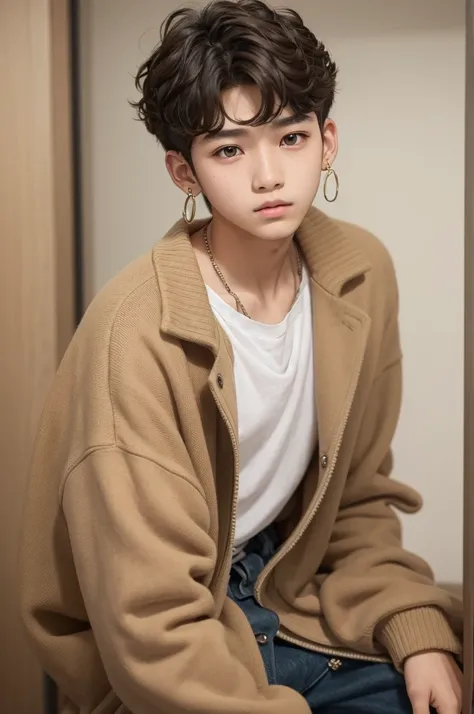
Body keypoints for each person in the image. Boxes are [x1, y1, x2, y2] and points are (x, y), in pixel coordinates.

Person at [20, 1, 464, 713]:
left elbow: (358, 496)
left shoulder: (359, 274)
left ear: (328, 141)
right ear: (183, 171)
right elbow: (148, 623)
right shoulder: (134, 336)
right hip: (175, 632)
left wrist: (415, 627)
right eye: (229, 149)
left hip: (294, 591)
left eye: (290, 137)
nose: (268, 176)